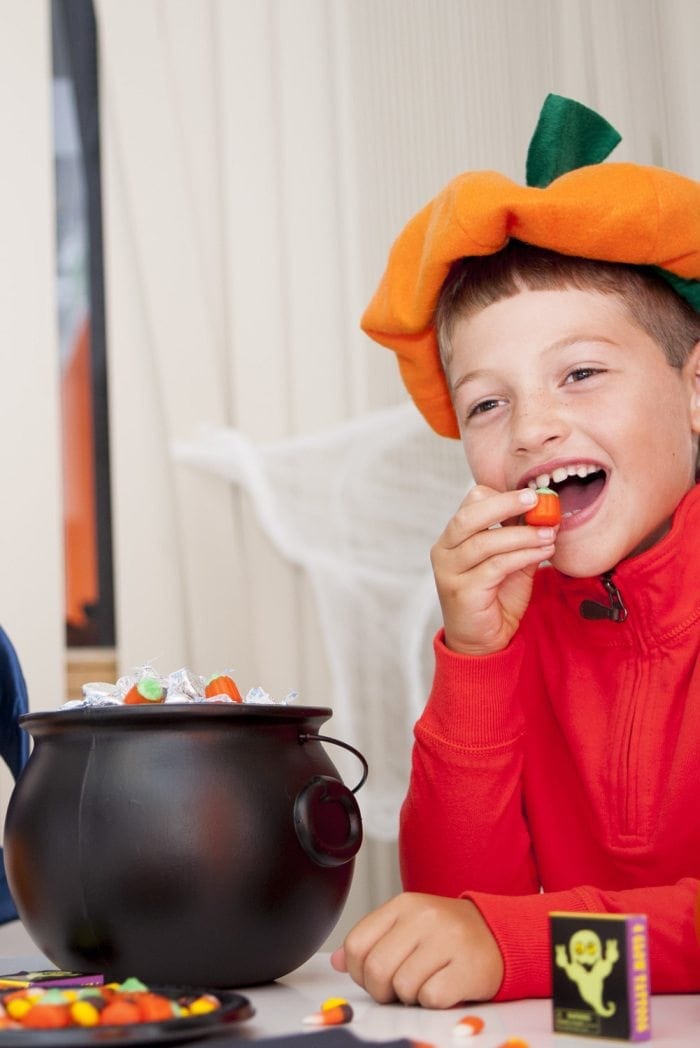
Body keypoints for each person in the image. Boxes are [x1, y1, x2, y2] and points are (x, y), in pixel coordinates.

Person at [330, 95, 700, 1007]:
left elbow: (497, 939)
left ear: (696, 394)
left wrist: (521, 948)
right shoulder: (512, 615)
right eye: (487, 404)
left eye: (580, 373)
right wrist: (478, 660)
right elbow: (457, 911)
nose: (534, 428)